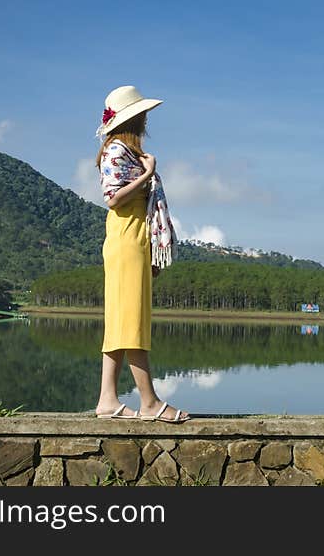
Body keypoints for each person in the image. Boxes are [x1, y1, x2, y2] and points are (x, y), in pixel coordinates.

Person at [92, 85, 190, 423]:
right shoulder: (117, 150)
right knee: (131, 320)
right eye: (143, 114)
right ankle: (149, 402)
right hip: (125, 238)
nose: (147, 119)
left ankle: (107, 399)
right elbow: (113, 197)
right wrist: (148, 175)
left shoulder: (126, 151)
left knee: (123, 319)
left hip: (132, 237)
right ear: (133, 118)